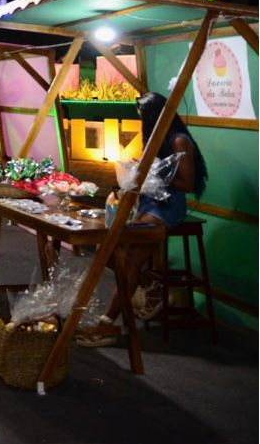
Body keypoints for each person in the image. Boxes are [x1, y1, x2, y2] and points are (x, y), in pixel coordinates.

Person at [77, 92, 209, 348]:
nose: (140, 122)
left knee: (129, 258)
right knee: (115, 250)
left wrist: (152, 174)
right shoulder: (157, 139)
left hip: (167, 208)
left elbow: (188, 183)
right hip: (150, 203)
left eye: (143, 117)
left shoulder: (178, 141)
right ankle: (151, 284)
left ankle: (107, 324)